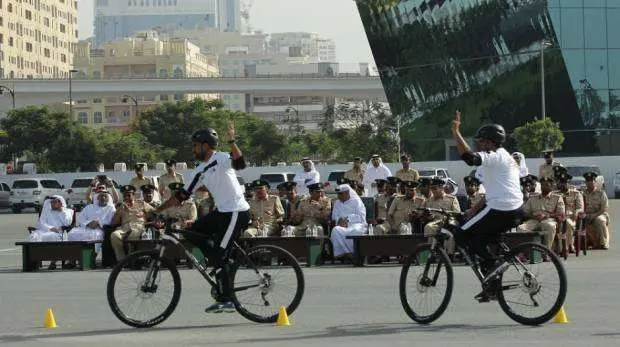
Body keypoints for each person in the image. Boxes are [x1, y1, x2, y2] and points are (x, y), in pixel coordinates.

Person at [156, 121, 250, 313]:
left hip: (236, 211)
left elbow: (240, 163)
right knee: (191, 231)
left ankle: (227, 298)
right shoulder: (199, 170)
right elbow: (181, 195)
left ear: (205, 145)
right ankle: (221, 265)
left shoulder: (222, 158)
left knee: (219, 254)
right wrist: (158, 210)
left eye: (196, 145)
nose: (194, 149)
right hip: (222, 213)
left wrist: (232, 141)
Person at [450, 111, 524, 302]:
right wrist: (473, 210)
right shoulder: (503, 159)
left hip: (501, 209)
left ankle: (495, 266)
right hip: (514, 210)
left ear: (491, 142)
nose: (479, 145)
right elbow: (490, 191)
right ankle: (492, 286)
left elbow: (468, 158)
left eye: (482, 141)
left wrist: (456, 132)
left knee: (461, 234)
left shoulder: (495, 156)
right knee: (483, 239)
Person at [110, 185, 156, 262]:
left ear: (133, 195)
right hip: (124, 228)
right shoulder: (120, 206)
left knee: (133, 234)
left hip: (138, 227)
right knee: (114, 235)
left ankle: (132, 259)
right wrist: (119, 211)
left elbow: (154, 212)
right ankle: (122, 261)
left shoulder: (142, 203)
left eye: (129, 195)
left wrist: (144, 214)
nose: (126, 197)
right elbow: (113, 223)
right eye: (125, 195)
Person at [517, 177, 565, 249]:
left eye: (547, 185)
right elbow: (525, 212)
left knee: (549, 226)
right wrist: (533, 217)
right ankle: (527, 251)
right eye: (542, 185)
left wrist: (548, 215)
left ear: (551, 186)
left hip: (549, 220)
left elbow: (561, 213)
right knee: (520, 228)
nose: (544, 187)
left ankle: (547, 251)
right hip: (534, 220)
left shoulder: (557, 198)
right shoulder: (533, 198)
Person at [68, 191, 116, 261]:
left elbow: (111, 221)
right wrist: (88, 223)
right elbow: (81, 218)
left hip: (100, 229)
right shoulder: (89, 207)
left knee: (94, 235)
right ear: (97, 198)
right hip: (86, 228)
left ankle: (91, 258)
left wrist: (98, 223)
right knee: (72, 234)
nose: (103, 198)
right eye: (101, 196)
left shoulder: (111, 208)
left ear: (108, 199)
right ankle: (73, 258)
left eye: (105, 196)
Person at [29, 195, 74, 270]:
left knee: (54, 237)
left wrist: (61, 211)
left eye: (54, 202)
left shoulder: (67, 211)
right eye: (51, 203)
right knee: (34, 236)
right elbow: (41, 223)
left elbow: (67, 223)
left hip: (59, 232)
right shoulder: (47, 211)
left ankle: (53, 262)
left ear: (60, 203)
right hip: (45, 230)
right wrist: (50, 228)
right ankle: (34, 261)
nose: (52, 204)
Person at [422, 177, 461, 253]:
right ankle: (431, 250)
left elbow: (457, 213)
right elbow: (425, 214)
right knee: (429, 227)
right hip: (436, 223)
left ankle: (449, 254)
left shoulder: (451, 199)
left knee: (449, 235)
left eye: (435, 188)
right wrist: (428, 216)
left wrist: (448, 215)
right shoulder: (429, 200)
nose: (433, 191)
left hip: (449, 223)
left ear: (442, 188)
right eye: (431, 188)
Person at [330, 184, 367, 260]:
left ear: (347, 193)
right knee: (336, 230)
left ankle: (355, 253)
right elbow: (334, 216)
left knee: (355, 231)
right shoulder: (337, 203)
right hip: (342, 226)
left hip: (356, 224)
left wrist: (348, 219)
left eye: (341, 194)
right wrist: (338, 220)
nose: (339, 196)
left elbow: (361, 216)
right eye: (338, 194)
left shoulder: (357, 201)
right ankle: (346, 254)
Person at [554, 170, 583, 253]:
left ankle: (569, 246)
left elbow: (580, 207)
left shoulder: (576, 194)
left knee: (567, 223)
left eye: (565, 182)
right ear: (558, 183)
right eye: (561, 183)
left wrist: (577, 212)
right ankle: (560, 248)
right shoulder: (554, 194)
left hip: (570, 217)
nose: (563, 184)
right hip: (557, 217)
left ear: (569, 183)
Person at [582, 171, 610, 249]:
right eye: (587, 181)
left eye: (591, 181)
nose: (589, 183)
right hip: (585, 215)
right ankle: (583, 243)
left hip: (599, 214)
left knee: (599, 220)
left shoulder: (601, 193)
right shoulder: (582, 193)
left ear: (595, 182)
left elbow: (604, 208)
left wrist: (594, 215)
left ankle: (603, 243)